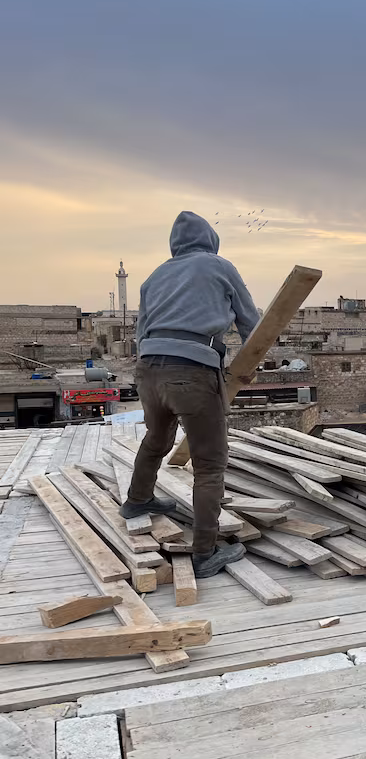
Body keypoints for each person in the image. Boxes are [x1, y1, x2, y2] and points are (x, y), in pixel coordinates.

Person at [120, 212, 259, 579]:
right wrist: (254, 360)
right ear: (210, 239)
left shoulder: (154, 277)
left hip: (149, 369)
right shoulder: (218, 266)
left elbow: (140, 329)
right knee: (209, 463)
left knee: (157, 437)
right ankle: (205, 552)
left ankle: (137, 501)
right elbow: (250, 320)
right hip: (193, 370)